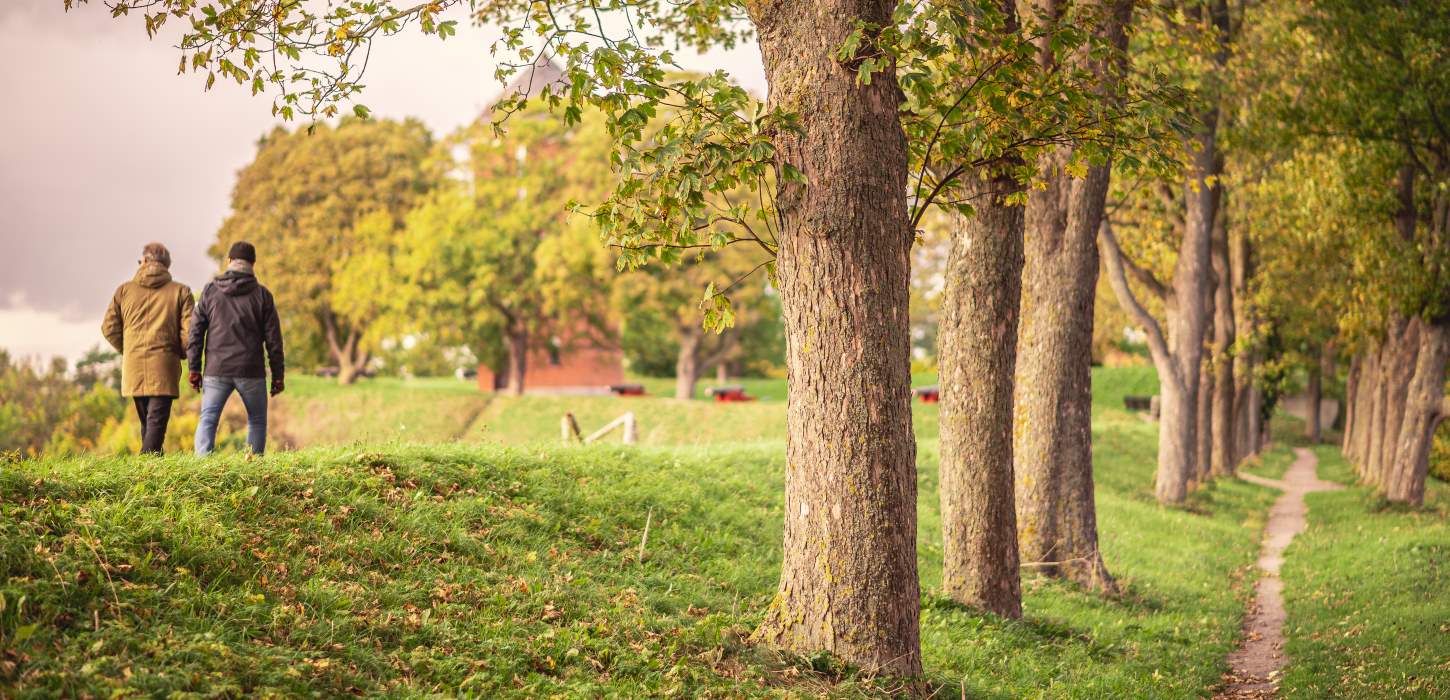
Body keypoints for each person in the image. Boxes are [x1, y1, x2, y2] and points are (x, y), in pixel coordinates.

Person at [188, 241, 285, 455]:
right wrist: (278, 376)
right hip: (250, 370)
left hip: (216, 369)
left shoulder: (210, 291)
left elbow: (195, 332)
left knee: (208, 419)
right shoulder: (262, 296)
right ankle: (253, 469)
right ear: (253, 263)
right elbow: (274, 341)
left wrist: (194, 369)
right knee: (257, 421)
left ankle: (202, 469)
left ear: (229, 261)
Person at [102, 243, 194, 454]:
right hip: (164, 366)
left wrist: (129, 350)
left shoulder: (124, 291)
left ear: (144, 262)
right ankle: (145, 473)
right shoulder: (181, 292)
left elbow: (108, 328)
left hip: (133, 367)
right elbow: (190, 333)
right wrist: (178, 352)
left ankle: (152, 469)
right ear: (167, 265)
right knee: (155, 424)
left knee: (149, 423)